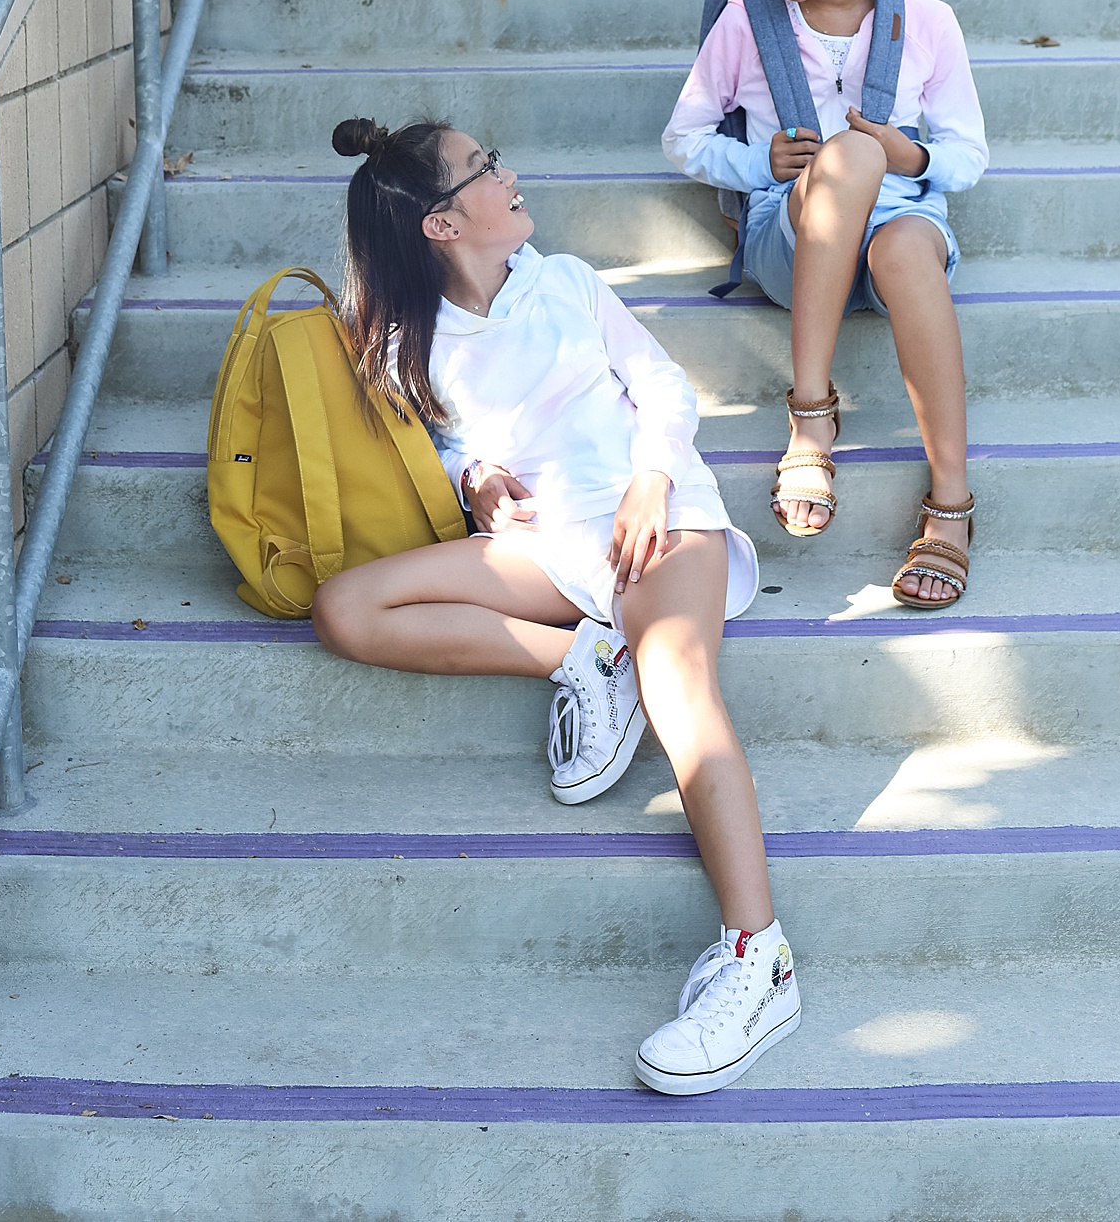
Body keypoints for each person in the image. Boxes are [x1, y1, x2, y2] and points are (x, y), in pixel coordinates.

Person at [310, 116, 800, 1095]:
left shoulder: (568, 280)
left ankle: (759, 959)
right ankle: (580, 658)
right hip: (544, 545)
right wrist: (476, 476)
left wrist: (654, 479)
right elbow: (446, 443)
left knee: (683, 697)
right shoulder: (406, 333)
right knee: (347, 609)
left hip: (653, 524)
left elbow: (659, 384)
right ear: (441, 226)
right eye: (485, 169)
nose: (511, 171)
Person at [662, 0, 988, 607]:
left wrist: (908, 156)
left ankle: (952, 503)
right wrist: (756, 164)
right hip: (791, 233)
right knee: (844, 159)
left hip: (895, 230)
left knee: (905, 237)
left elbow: (969, 154)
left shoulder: (929, 22)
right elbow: (685, 135)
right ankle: (811, 416)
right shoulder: (747, 16)